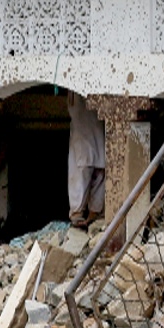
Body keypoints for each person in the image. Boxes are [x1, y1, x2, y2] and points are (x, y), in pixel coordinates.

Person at [66, 91, 106, 227]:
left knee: (83, 172)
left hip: (89, 138)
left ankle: (83, 214)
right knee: (92, 171)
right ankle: (90, 214)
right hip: (90, 137)